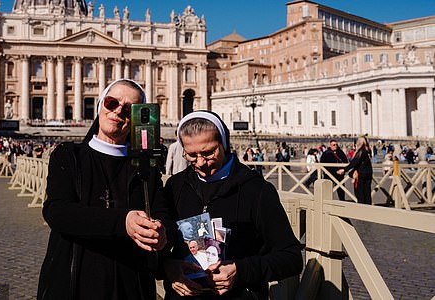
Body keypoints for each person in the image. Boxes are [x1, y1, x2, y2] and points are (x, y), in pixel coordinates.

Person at [37, 79, 174, 300]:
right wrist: (123, 223)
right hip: (73, 281)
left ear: (139, 118)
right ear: (101, 105)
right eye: (112, 103)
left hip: (131, 285)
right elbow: (56, 211)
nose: (118, 111)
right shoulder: (68, 155)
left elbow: (165, 217)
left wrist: (161, 234)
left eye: (129, 109)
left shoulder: (146, 167)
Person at [163, 111, 302, 299]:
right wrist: (168, 267)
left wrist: (240, 270)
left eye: (208, 152)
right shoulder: (175, 186)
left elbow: (291, 258)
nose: (201, 163)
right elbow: (161, 247)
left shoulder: (257, 190)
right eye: (191, 155)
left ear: (225, 144)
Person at [338, 136, 373, 205]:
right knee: (367, 192)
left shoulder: (361, 151)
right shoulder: (368, 150)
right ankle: (368, 208)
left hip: (361, 174)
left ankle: (362, 207)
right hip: (369, 173)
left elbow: (354, 162)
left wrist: (344, 170)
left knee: (360, 192)